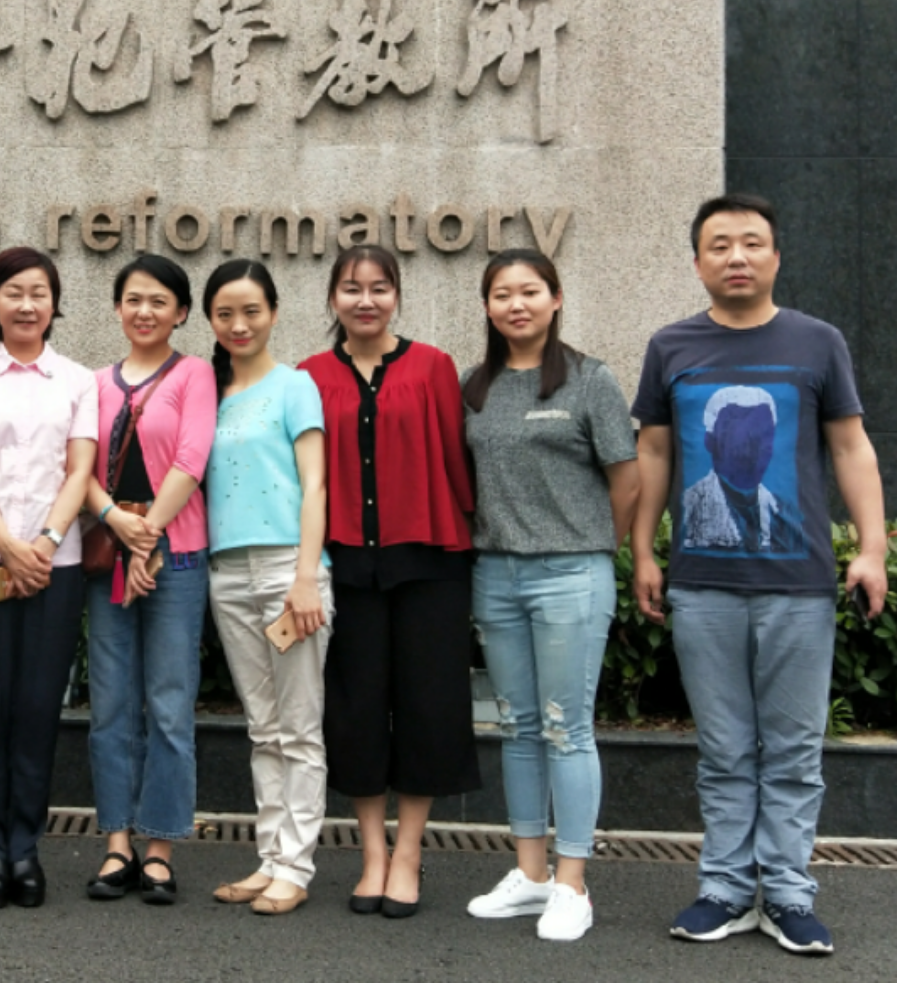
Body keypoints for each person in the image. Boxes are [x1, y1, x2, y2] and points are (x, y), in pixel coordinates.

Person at [632, 193, 887, 957]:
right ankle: (722, 889)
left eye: (750, 243)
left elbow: (850, 447)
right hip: (701, 587)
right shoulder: (670, 347)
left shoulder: (817, 343)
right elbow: (653, 452)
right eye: (719, 245)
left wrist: (871, 548)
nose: (735, 257)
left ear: (774, 257)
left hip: (798, 586)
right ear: (696, 262)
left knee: (792, 752)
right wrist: (642, 551)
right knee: (723, 749)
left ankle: (786, 894)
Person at [459, 250, 639, 941]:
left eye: (529, 291)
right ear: (487, 307)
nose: (516, 305)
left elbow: (626, 479)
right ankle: (530, 873)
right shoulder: (474, 386)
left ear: (556, 298)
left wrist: (596, 547)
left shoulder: (590, 380)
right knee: (517, 726)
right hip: (496, 574)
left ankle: (572, 883)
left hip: (570, 574)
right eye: (502, 294)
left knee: (567, 727)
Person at [299, 244, 478, 920]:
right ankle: (371, 852)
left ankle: (408, 852)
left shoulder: (432, 366)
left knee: (428, 705)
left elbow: (455, 460)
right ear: (332, 298)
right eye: (351, 288)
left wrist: (469, 538)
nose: (365, 300)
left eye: (379, 287)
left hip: (428, 559)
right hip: (345, 563)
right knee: (357, 710)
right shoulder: (310, 375)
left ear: (396, 295)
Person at [0, 247, 98, 909]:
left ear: (54, 304)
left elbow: (80, 469)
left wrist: (45, 542)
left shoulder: (77, 381)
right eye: (13, 292)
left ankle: (25, 846)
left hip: (54, 564)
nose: (27, 304)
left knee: (38, 706)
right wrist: (8, 545)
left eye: (39, 293)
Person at [81, 255, 217, 906]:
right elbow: (77, 468)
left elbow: (191, 458)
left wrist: (150, 534)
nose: (144, 311)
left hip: (178, 557)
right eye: (133, 299)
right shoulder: (93, 384)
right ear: (117, 308)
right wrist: (119, 525)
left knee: (168, 702)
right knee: (110, 704)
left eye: (159, 301)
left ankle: (159, 847)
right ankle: (117, 842)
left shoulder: (194, 374)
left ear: (181, 312)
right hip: (110, 555)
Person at [199, 260, 333, 918]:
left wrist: (306, 577)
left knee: (299, 728)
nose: (239, 324)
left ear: (273, 313)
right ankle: (270, 857)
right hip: (226, 572)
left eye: (251, 311)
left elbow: (316, 484)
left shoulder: (295, 386)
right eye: (225, 313)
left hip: (287, 570)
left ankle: (295, 866)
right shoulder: (210, 393)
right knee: (263, 727)